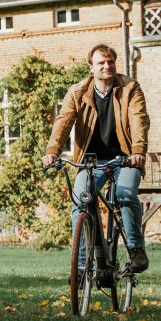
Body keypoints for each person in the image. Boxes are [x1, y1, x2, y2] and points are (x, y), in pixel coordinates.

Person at [42, 43, 151, 273]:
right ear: (90, 66)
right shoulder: (78, 92)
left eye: (110, 62)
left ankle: (136, 249)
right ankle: (81, 265)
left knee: (125, 193)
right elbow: (63, 122)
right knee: (80, 201)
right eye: (101, 62)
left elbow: (138, 119)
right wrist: (53, 150)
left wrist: (138, 151)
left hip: (125, 158)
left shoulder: (129, 87)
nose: (107, 66)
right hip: (91, 161)